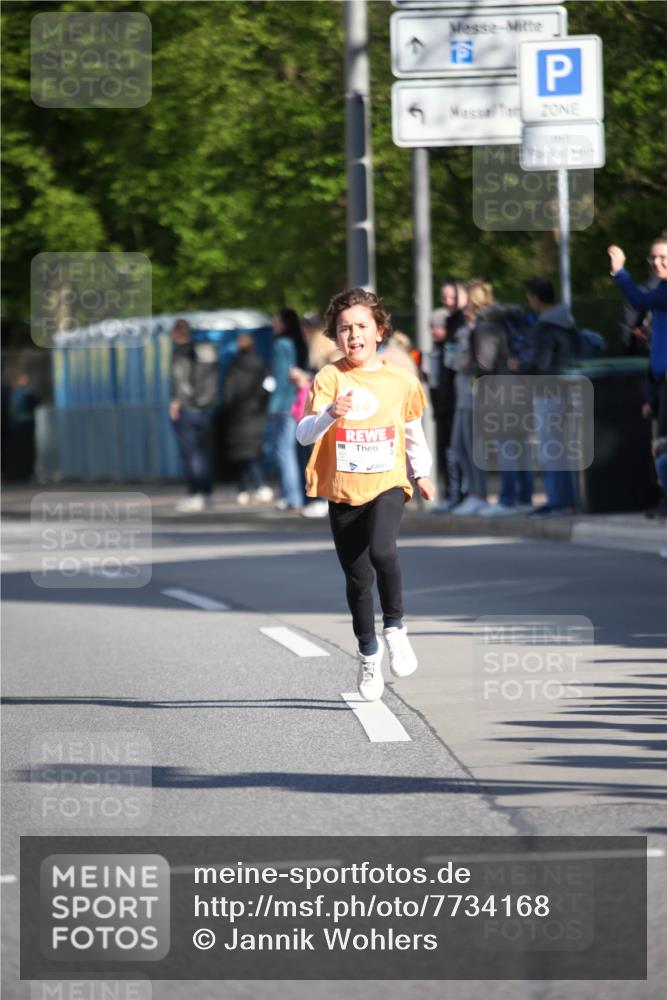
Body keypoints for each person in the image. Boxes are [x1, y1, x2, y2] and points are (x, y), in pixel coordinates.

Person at [296, 287, 435, 702]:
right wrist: (329, 414)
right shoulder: (330, 378)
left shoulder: (400, 381)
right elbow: (303, 435)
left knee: (383, 551)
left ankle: (395, 628)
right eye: (344, 329)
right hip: (343, 490)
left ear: (379, 331)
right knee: (358, 580)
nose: (353, 335)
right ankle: (368, 653)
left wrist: (422, 472)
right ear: (334, 338)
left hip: (388, 482)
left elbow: (411, 431)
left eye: (361, 327)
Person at [519, 277, 578, 516]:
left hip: (547, 391)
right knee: (565, 448)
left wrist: (520, 366)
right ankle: (570, 499)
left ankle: (557, 501)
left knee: (549, 449)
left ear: (534, 298)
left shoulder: (545, 326)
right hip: (568, 389)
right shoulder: (568, 321)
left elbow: (541, 363)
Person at [609, 238, 667, 435]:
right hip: (659, 381)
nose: (657, 262)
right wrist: (652, 399)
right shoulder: (661, 288)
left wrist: (620, 272)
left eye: (663, 257)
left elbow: (639, 300)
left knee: (661, 454)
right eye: (653, 257)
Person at [169, 318, 219, 512]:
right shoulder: (202, 351)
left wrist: (176, 402)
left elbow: (179, 378)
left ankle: (195, 493)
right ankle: (206, 493)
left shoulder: (180, 352)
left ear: (176, 333)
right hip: (206, 408)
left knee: (191, 453)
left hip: (188, 408)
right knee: (203, 452)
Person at [220, 334, 273, 505]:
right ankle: (250, 487)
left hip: (238, 417)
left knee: (243, 455)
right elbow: (267, 391)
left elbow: (227, 395)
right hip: (256, 416)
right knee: (251, 454)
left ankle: (248, 488)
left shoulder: (233, 367)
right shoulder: (261, 365)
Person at [429, 280, 467, 510]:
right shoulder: (436, 347)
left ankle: (458, 493)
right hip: (443, 401)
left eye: (452, 297)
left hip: (456, 399)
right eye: (444, 297)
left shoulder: (460, 328)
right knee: (447, 449)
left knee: (457, 449)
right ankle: (450, 494)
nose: (447, 302)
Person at [268, 308, 308, 510]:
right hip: (299, 403)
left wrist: (273, 405)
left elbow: (281, 377)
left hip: (285, 404)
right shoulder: (299, 343)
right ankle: (298, 494)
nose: (273, 324)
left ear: (283, 323)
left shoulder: (281, 344)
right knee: (297, 451)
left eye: (275, 320)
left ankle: (291, 497)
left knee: (284, 451)